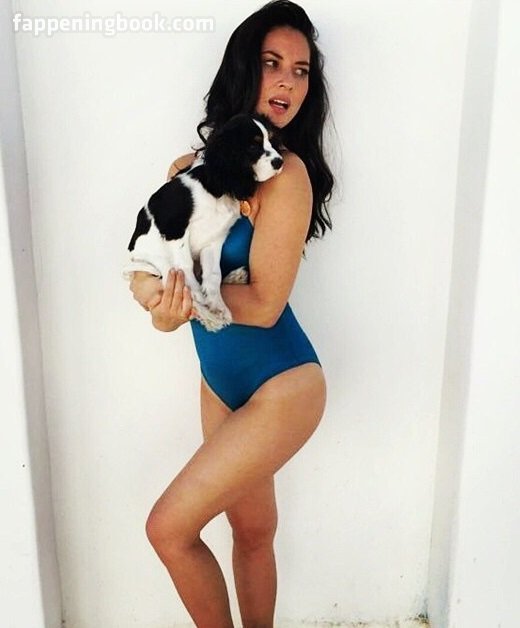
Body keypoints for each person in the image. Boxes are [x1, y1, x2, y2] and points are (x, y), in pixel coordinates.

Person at [129, 1, 334, 626]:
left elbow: (266, 305)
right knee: (252, 531)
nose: (287, 82)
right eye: (273, 64)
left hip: (283, 382)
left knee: (168, 529)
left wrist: (181, 303)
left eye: (300, 70)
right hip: (219, 380)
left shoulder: (287, 176)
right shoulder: (187, 173)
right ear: (245, 69)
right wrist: (161, 312)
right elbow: (158, 274)